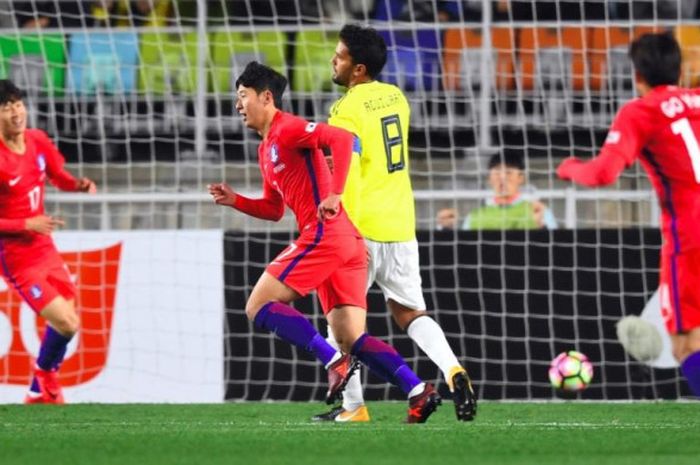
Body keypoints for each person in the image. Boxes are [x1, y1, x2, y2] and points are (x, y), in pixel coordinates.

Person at [208, 61, 441, 423]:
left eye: (243, 96)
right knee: (351, 336)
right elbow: (273, 209)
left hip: (326, 234)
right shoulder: (266, 147)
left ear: (266, 97)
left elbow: (342, 138)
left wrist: (335, 193)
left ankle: (334, 361)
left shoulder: (288, 128)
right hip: (346, 241)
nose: (238, 105)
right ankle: (416, 390)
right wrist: (235, 199)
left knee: (258, 306)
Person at [311, 24, 476, 423]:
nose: (334, 60)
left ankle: (354, 408)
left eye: (341, 56)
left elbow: (346, 154)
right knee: (410, 313)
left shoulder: (345, 108)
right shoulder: (397, 98)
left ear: (358, 69)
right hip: (401, 223)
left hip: (359, 227)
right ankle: (453, 369)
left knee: (342, 324)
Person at [557, 32, 700, 397]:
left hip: (690, 237)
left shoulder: (641, 110)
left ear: (636, 74)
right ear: (681, 69)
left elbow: (602, 173)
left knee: (686, 341)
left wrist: (569, 167)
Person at [0, 79, 97, 404]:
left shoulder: (37, 140)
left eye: (17, 104)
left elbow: (58, 175)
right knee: (67, 323)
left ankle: (36, 391)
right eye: (6, 107)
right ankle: (44, 377)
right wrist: (26, 222)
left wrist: (78, 185)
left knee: (69, 323)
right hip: (15, 257)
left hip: (44, 249)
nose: (15, 112)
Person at [463, 152, 557, 230]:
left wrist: (541, 226)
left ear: (521, 178)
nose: (502, 178)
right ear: (489, 178)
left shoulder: (539, 211)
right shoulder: (474, 217)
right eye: (497, 172)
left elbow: (554, 248)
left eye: (509, 172)